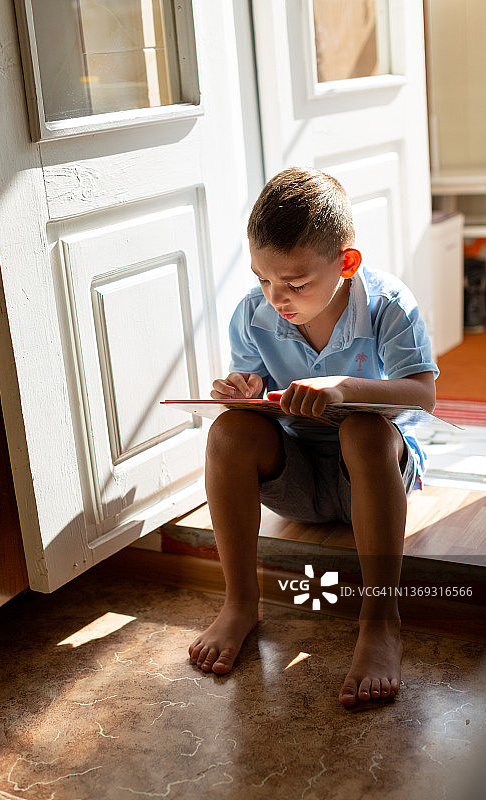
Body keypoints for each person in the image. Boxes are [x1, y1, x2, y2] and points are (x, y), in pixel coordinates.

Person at [188, 167, 438, 706]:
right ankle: (239, 603)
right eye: (263, 279)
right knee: (229, 433)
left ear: (346, 263)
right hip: (297, 477)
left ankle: (380, 622)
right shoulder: (254, 316)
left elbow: (422, 396)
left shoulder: (390, 305)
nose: (277, 297)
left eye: (296, 284)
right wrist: (247, 389)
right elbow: (257, 396)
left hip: (369, 477)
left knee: (365, 432)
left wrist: (345, 390)